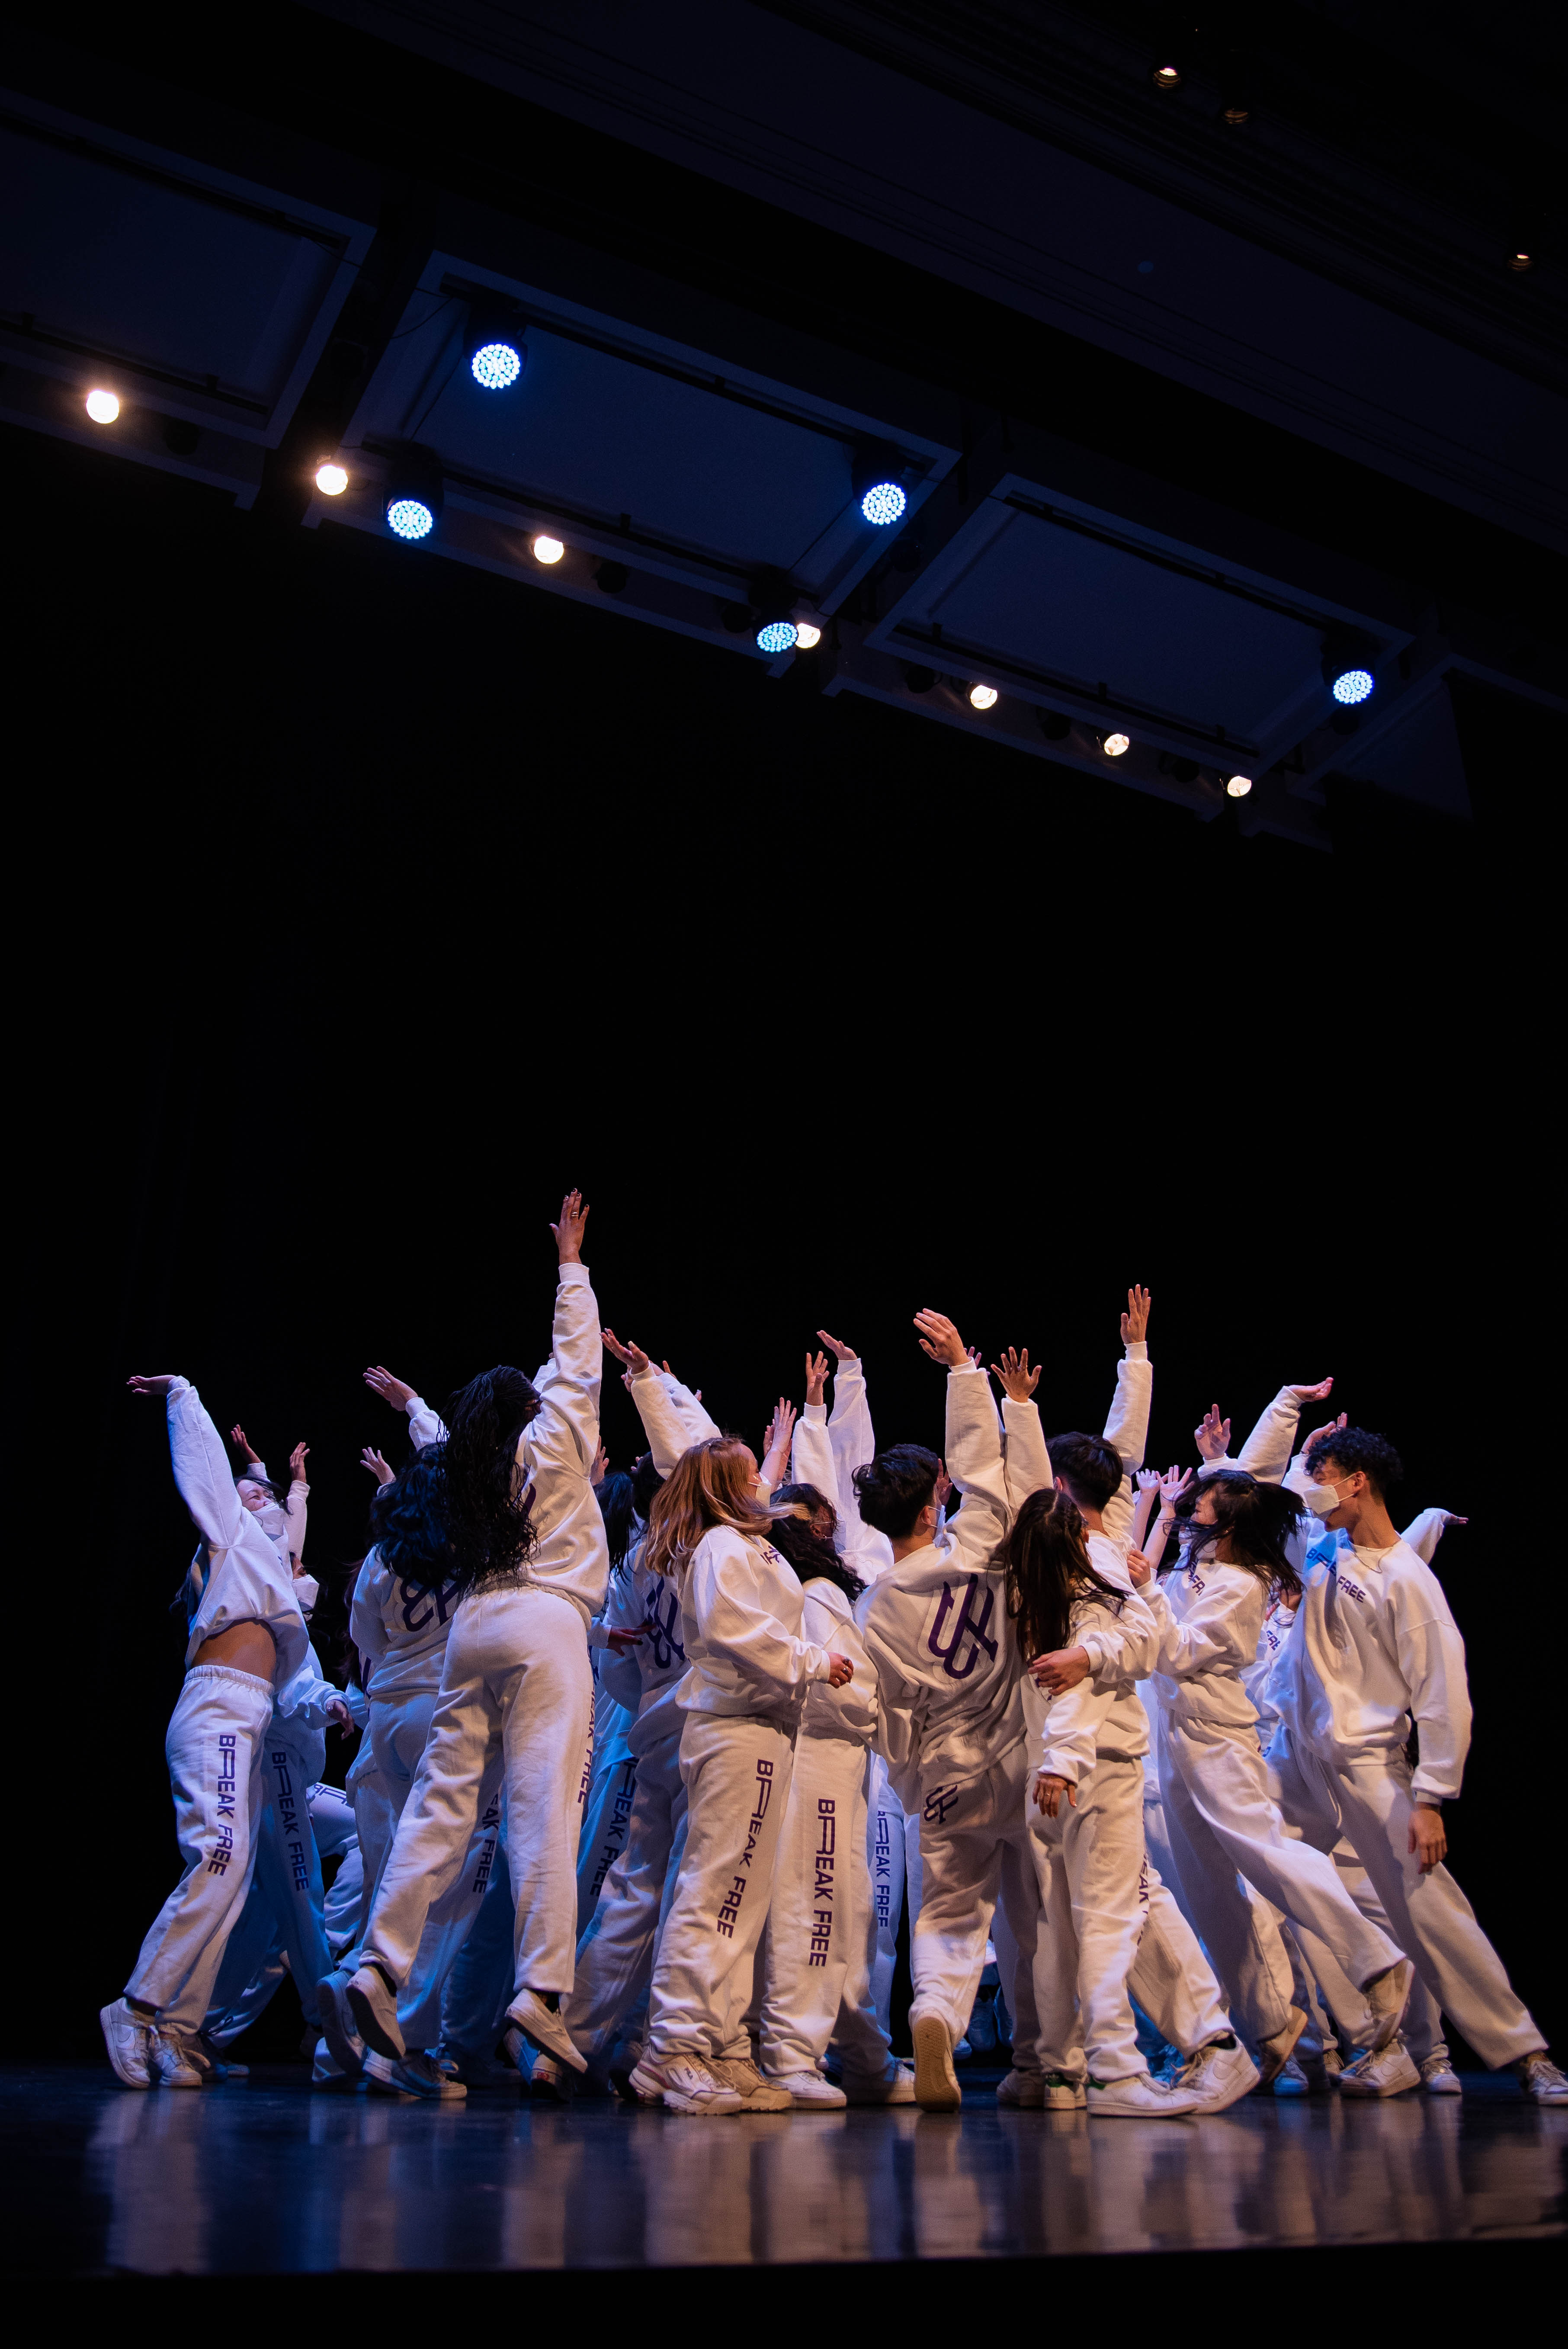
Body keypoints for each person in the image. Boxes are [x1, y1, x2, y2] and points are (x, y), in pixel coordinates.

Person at [346, 1192, 607, 2084]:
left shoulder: (470, 1465)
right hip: (544, 1623)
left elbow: (448, 1433)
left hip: (474, 1627)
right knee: (542, 1808)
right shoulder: (562, 1430)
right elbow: (577, 1351)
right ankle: (540, 1991)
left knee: (439, 1805)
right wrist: (571, 1262)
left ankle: (379, 1966)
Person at [1267, 1423, 1565, 2105]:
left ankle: (1525, 2053)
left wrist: (1429, 1796)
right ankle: (1355, 2031)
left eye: (1324, 1474)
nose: (1313, 1489)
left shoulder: (1408, 1583)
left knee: (1427, 1908)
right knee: (1243, 1847)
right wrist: (1302, 1450)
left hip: (1370, 1766)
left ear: (1357, 1482)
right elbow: (1277, 1504)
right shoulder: (1322, 1548)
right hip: (1297, 1759)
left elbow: (1442, 1695)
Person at [1122, 1471, 1414, 2077]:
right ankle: (1270, 2027)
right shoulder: (1196, 1568)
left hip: (1216, 1737)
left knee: (1266, 1849)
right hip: (1172, 1739)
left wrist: (1147, 1589)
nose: (1187, 1516)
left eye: (1197, 1509)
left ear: (1225, 1526)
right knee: (1208, 1894)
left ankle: (1376, 1957)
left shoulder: (1240, 1584)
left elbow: (1175, 1650)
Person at [855, 1309, 1051, 2112]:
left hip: (946, 1771)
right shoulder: (977, 1547)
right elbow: (996, 1478)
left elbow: (884, 1715)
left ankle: (934, 2010)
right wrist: (966, 1373)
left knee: (946, 1912)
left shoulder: (876, 1605)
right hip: (1019, 1755)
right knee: (1037, 1918)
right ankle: (1039, 2060)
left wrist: (911, 1769)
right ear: (932, 1506)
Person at [628, 1438, 854, 2115]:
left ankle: (722, 2043)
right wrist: (811, 1659)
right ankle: (670, 2048)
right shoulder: (720, 1547)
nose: (764, 1477)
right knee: (712, 1890)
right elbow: (733, 1630)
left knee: (740, 1900)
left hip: (764, 1728)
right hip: (732, 1727)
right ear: (727, 1481)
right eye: (752, 1470)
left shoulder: (744, 1541)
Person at [103, 1374, 310, 2089]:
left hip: (247, 1717)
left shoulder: (274, 1565)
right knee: (219, 1858)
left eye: (266, 1497)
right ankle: (134, 2006)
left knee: (233, 1870)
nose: (257, 1497)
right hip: (220, 1705)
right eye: (249, 1494)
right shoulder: (230, 1537)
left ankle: (178, 2028)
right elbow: (208, 1470)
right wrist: (185, 1396)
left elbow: (285, 1523)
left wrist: (285, 1487)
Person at [1013, 1486, 1205, 2116]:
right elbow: (1081, 1687)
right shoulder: (1087, 1599)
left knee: (1056, 1931)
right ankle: (1115, 2071)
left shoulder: (1022, 1597)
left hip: (1043, 1781)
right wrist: (1065, 1760)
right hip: (1091, 1770)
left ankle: (1060, 2071)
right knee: (1108, 1922)